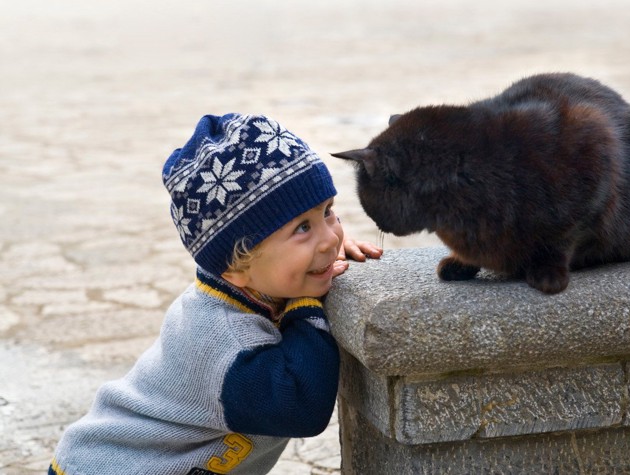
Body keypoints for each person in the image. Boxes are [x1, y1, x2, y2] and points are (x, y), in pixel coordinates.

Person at [48, 113, 382, 475]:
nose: (332, 238)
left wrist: (314, 250)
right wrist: (305, 303)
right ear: (237, 266)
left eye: (329, 212)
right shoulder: (223, 340)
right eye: (303, 227)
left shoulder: (250, 284)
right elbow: (301, 406)